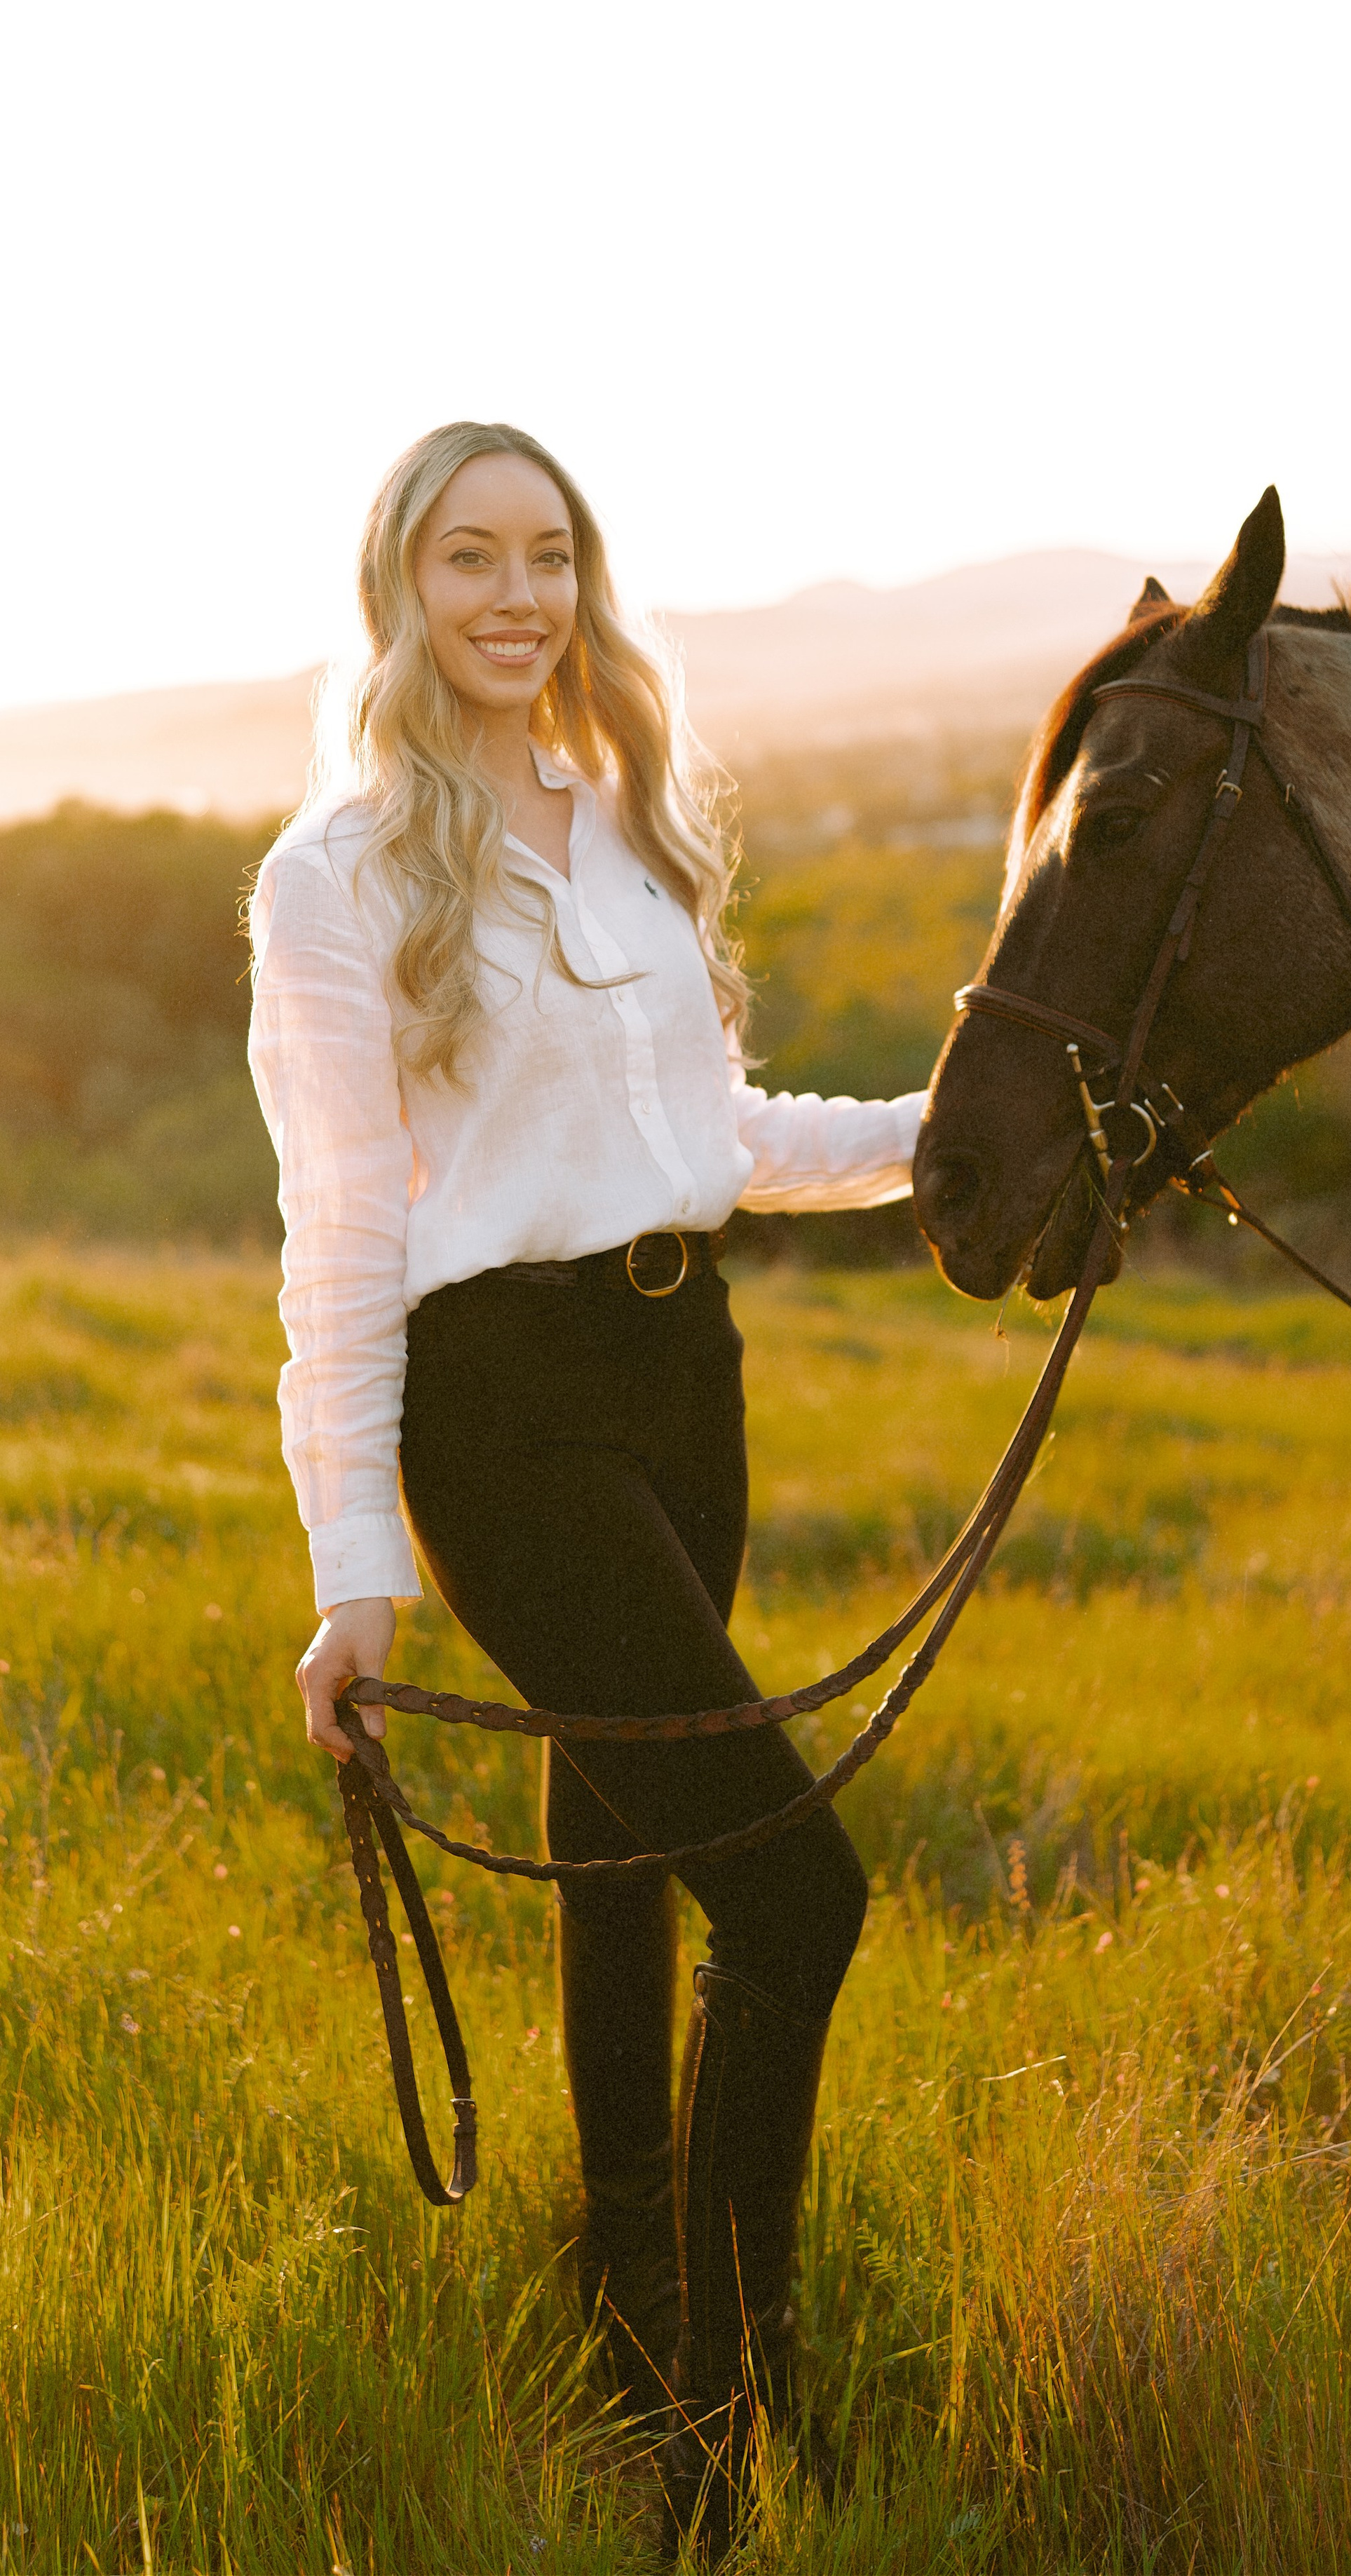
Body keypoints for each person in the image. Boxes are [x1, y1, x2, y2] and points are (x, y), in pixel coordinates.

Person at [247, 421, 923, 2549]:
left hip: (679, 1365)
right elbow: (343, 1231)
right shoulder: (337, 873)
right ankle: (736, 2390)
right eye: (472, 558)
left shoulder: (630, 815)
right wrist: (355, 1560)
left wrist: (962, 1128)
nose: (518, 595)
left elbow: (716, 1137)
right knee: (801, 1889)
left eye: (549, 554)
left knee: (631, 1864)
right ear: (402, 584)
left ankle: (636, 2323)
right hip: (504, 1402)